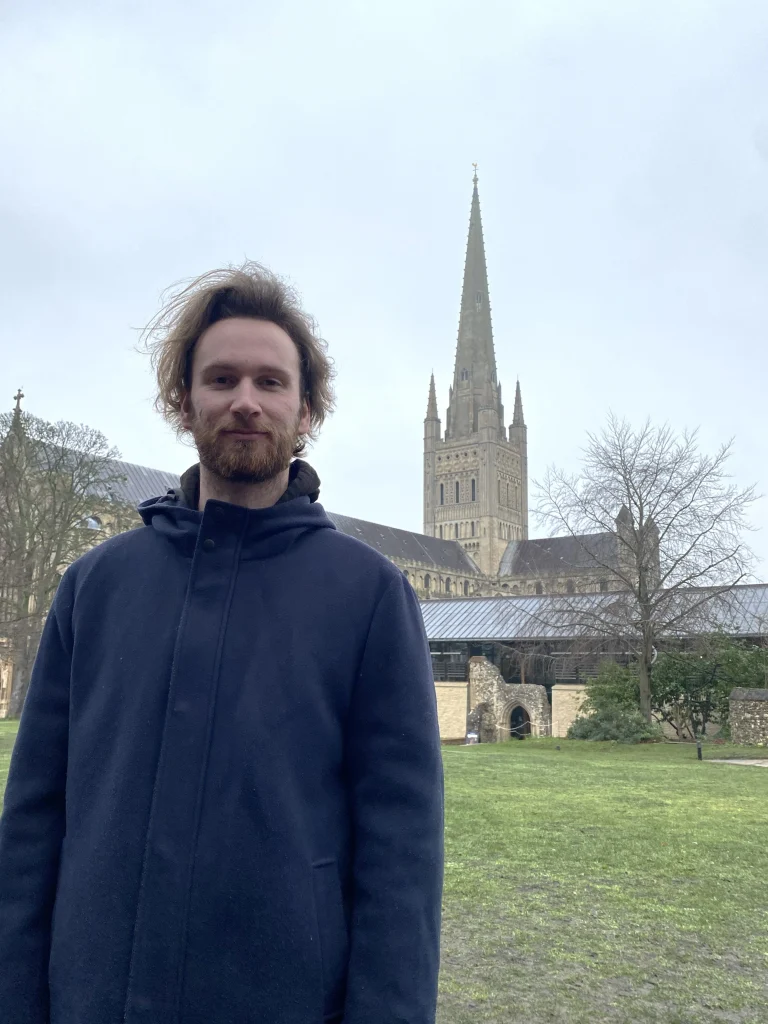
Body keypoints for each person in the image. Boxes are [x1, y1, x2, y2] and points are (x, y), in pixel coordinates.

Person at [0, 263, 444, 1024]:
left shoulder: (370, 595)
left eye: (271, 383)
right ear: (185, 400)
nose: (245, 401)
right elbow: (34, 825)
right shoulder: (95, 586)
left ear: (307, 410)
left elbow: (400, 859)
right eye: (222, 379)